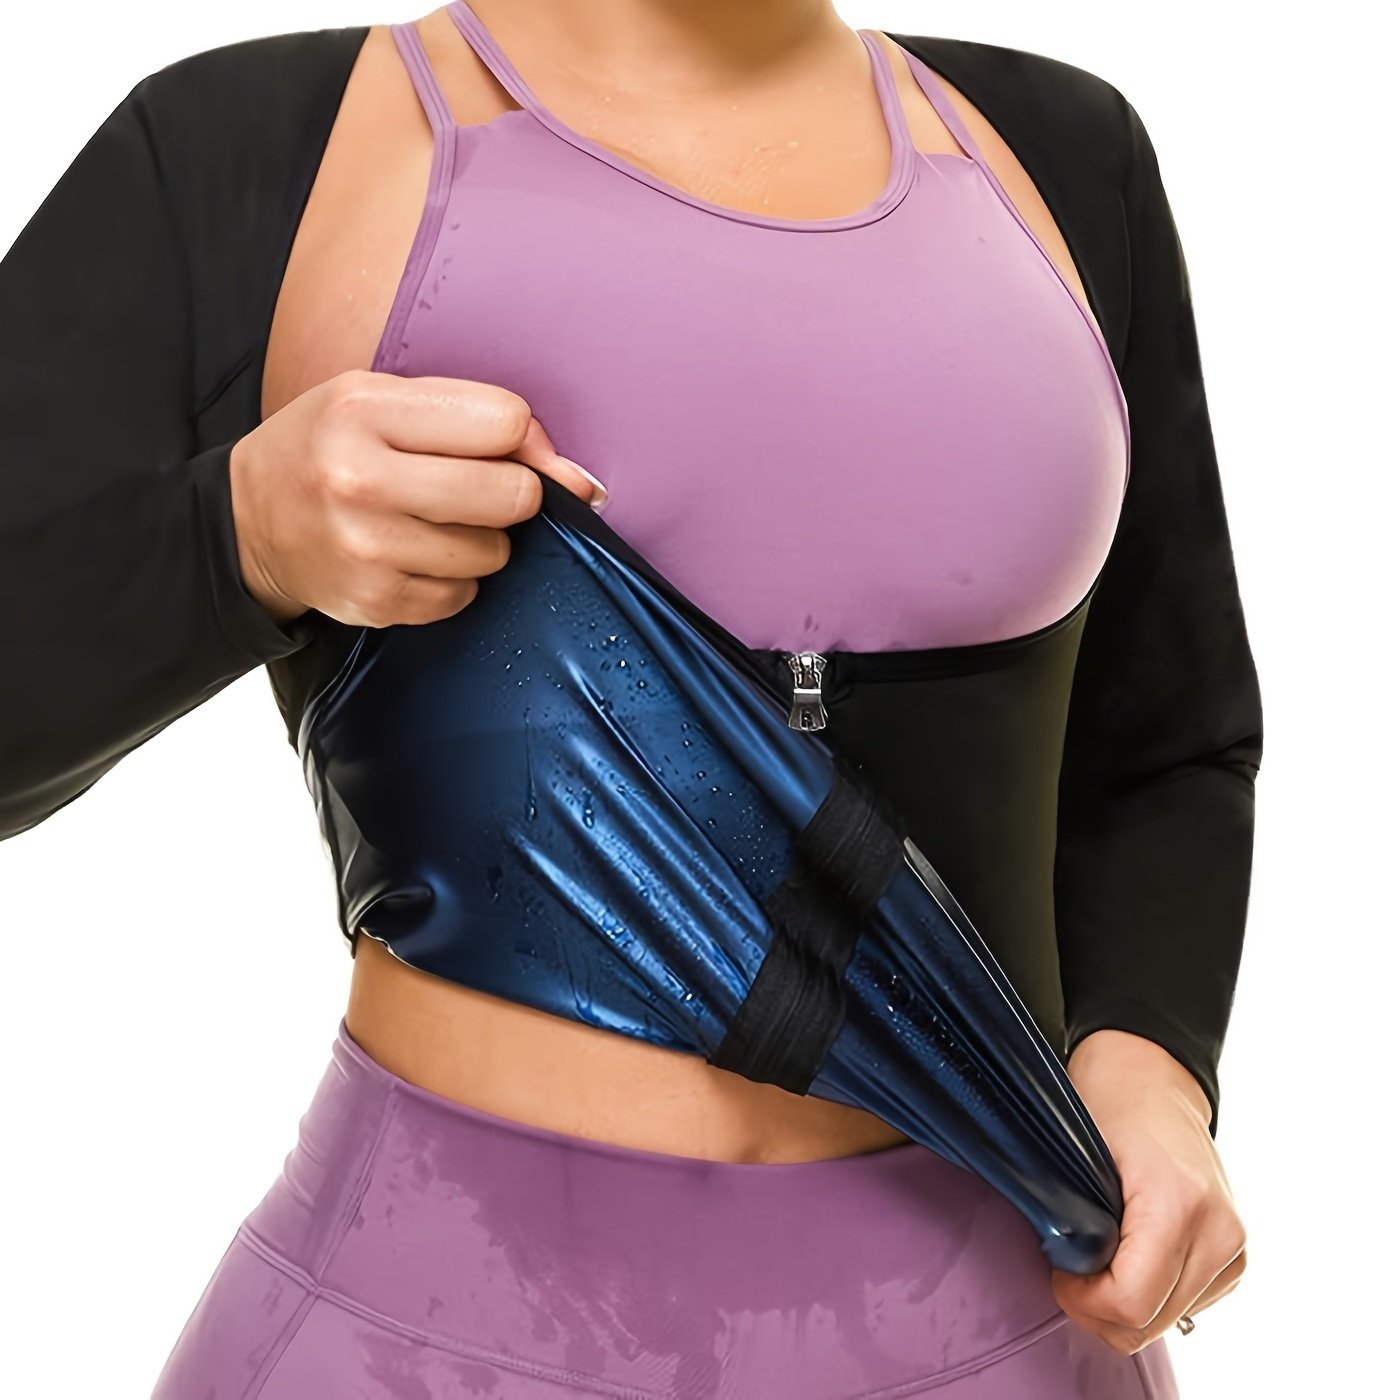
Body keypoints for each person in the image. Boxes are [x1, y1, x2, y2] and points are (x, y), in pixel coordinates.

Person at [0, 3, 1263, 1395]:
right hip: (424, 1344)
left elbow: (1166, 742)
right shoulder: (259, 149)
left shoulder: (1062, 156)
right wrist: (236, 538)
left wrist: (1154, 1064)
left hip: (1019, 1335)